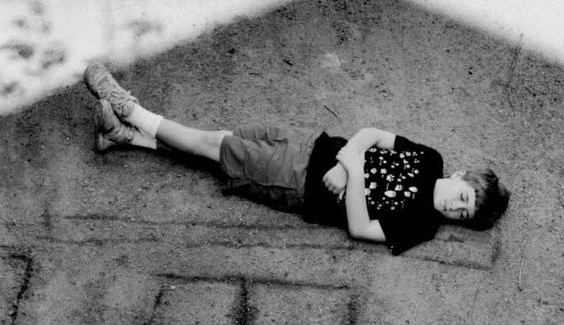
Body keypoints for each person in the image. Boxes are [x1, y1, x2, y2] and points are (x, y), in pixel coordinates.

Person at [82, 61, 509, 256]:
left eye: (463, 214)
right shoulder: (429, 159)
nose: (455, 207)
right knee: (226, 139)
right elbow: (375, 134)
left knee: (218, 149)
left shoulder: (421, 226)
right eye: (464, 196)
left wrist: (354, 173)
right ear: (459, 175)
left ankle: (128, 108)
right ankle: (126, 138)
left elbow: (361, 229)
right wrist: (349, 159)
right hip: (313, 144)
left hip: (299, 184)